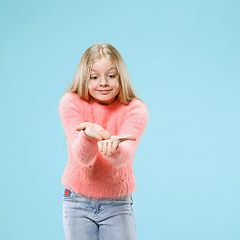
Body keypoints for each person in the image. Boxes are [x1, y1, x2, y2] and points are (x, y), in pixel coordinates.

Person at [59, 43, 148, 240]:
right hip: (76, 202)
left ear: (120, 77)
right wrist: (88, 137)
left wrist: (115, 149)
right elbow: (81, 158)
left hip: (117, 204)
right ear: (85, 78)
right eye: (94, 77)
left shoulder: (135, 109)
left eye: (111, 75)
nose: (103, 83)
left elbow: (125, 156)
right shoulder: (71, 102)